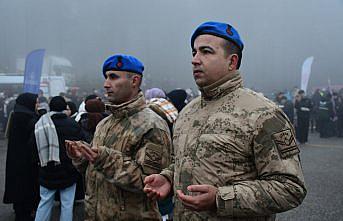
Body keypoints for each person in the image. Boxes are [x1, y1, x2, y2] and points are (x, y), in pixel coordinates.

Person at [144, 21, 306, 221]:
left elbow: (290, 188)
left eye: (206, 52)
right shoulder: (187, 113)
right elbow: (182, 162)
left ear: (232, 62)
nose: (195, 60)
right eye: (194, 52)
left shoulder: (263, 113)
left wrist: (221, 199)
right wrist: (168, 177)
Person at [65, 54, 172, 220]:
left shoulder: (152, 125)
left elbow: (148, 182)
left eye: (113, 77)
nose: (106, 84)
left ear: (135, 81)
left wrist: (104, 158)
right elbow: (95, 173)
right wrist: (82, 158)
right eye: (106, 77)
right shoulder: (104, 124)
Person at [34, 96, 85, 221]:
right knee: (67, 204)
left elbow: (33, 146)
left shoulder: (41, 123)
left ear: (50, 107)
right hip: (69, 169)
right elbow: (81, 144)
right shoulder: (72, 124)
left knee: (45, 202)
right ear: (64, 108)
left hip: (47, 168)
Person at [3, 93, 40, 221]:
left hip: (16, 158)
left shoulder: (17, 113)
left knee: (17, 186)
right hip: (27, 160)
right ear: (28, 103)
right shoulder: (28, 117)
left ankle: (19, 210)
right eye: (36, 102)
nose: (37, 105)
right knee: (26, 187)